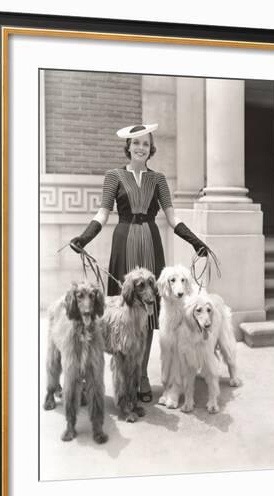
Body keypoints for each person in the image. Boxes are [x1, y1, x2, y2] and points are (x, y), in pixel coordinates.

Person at [70, 123, 208, 402]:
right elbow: (102, 213)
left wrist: (196, 241)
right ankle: (122, 376)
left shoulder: (158, 179)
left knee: (147, 314)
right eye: (136, 143)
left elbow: (172, 218)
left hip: (150, 243)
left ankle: (141, 376)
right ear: (128, 146)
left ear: (151, 148)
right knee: (123, 313)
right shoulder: (114, 176)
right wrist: (84, 238)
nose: (141, 148)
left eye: (146, 143)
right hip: (124, 242)